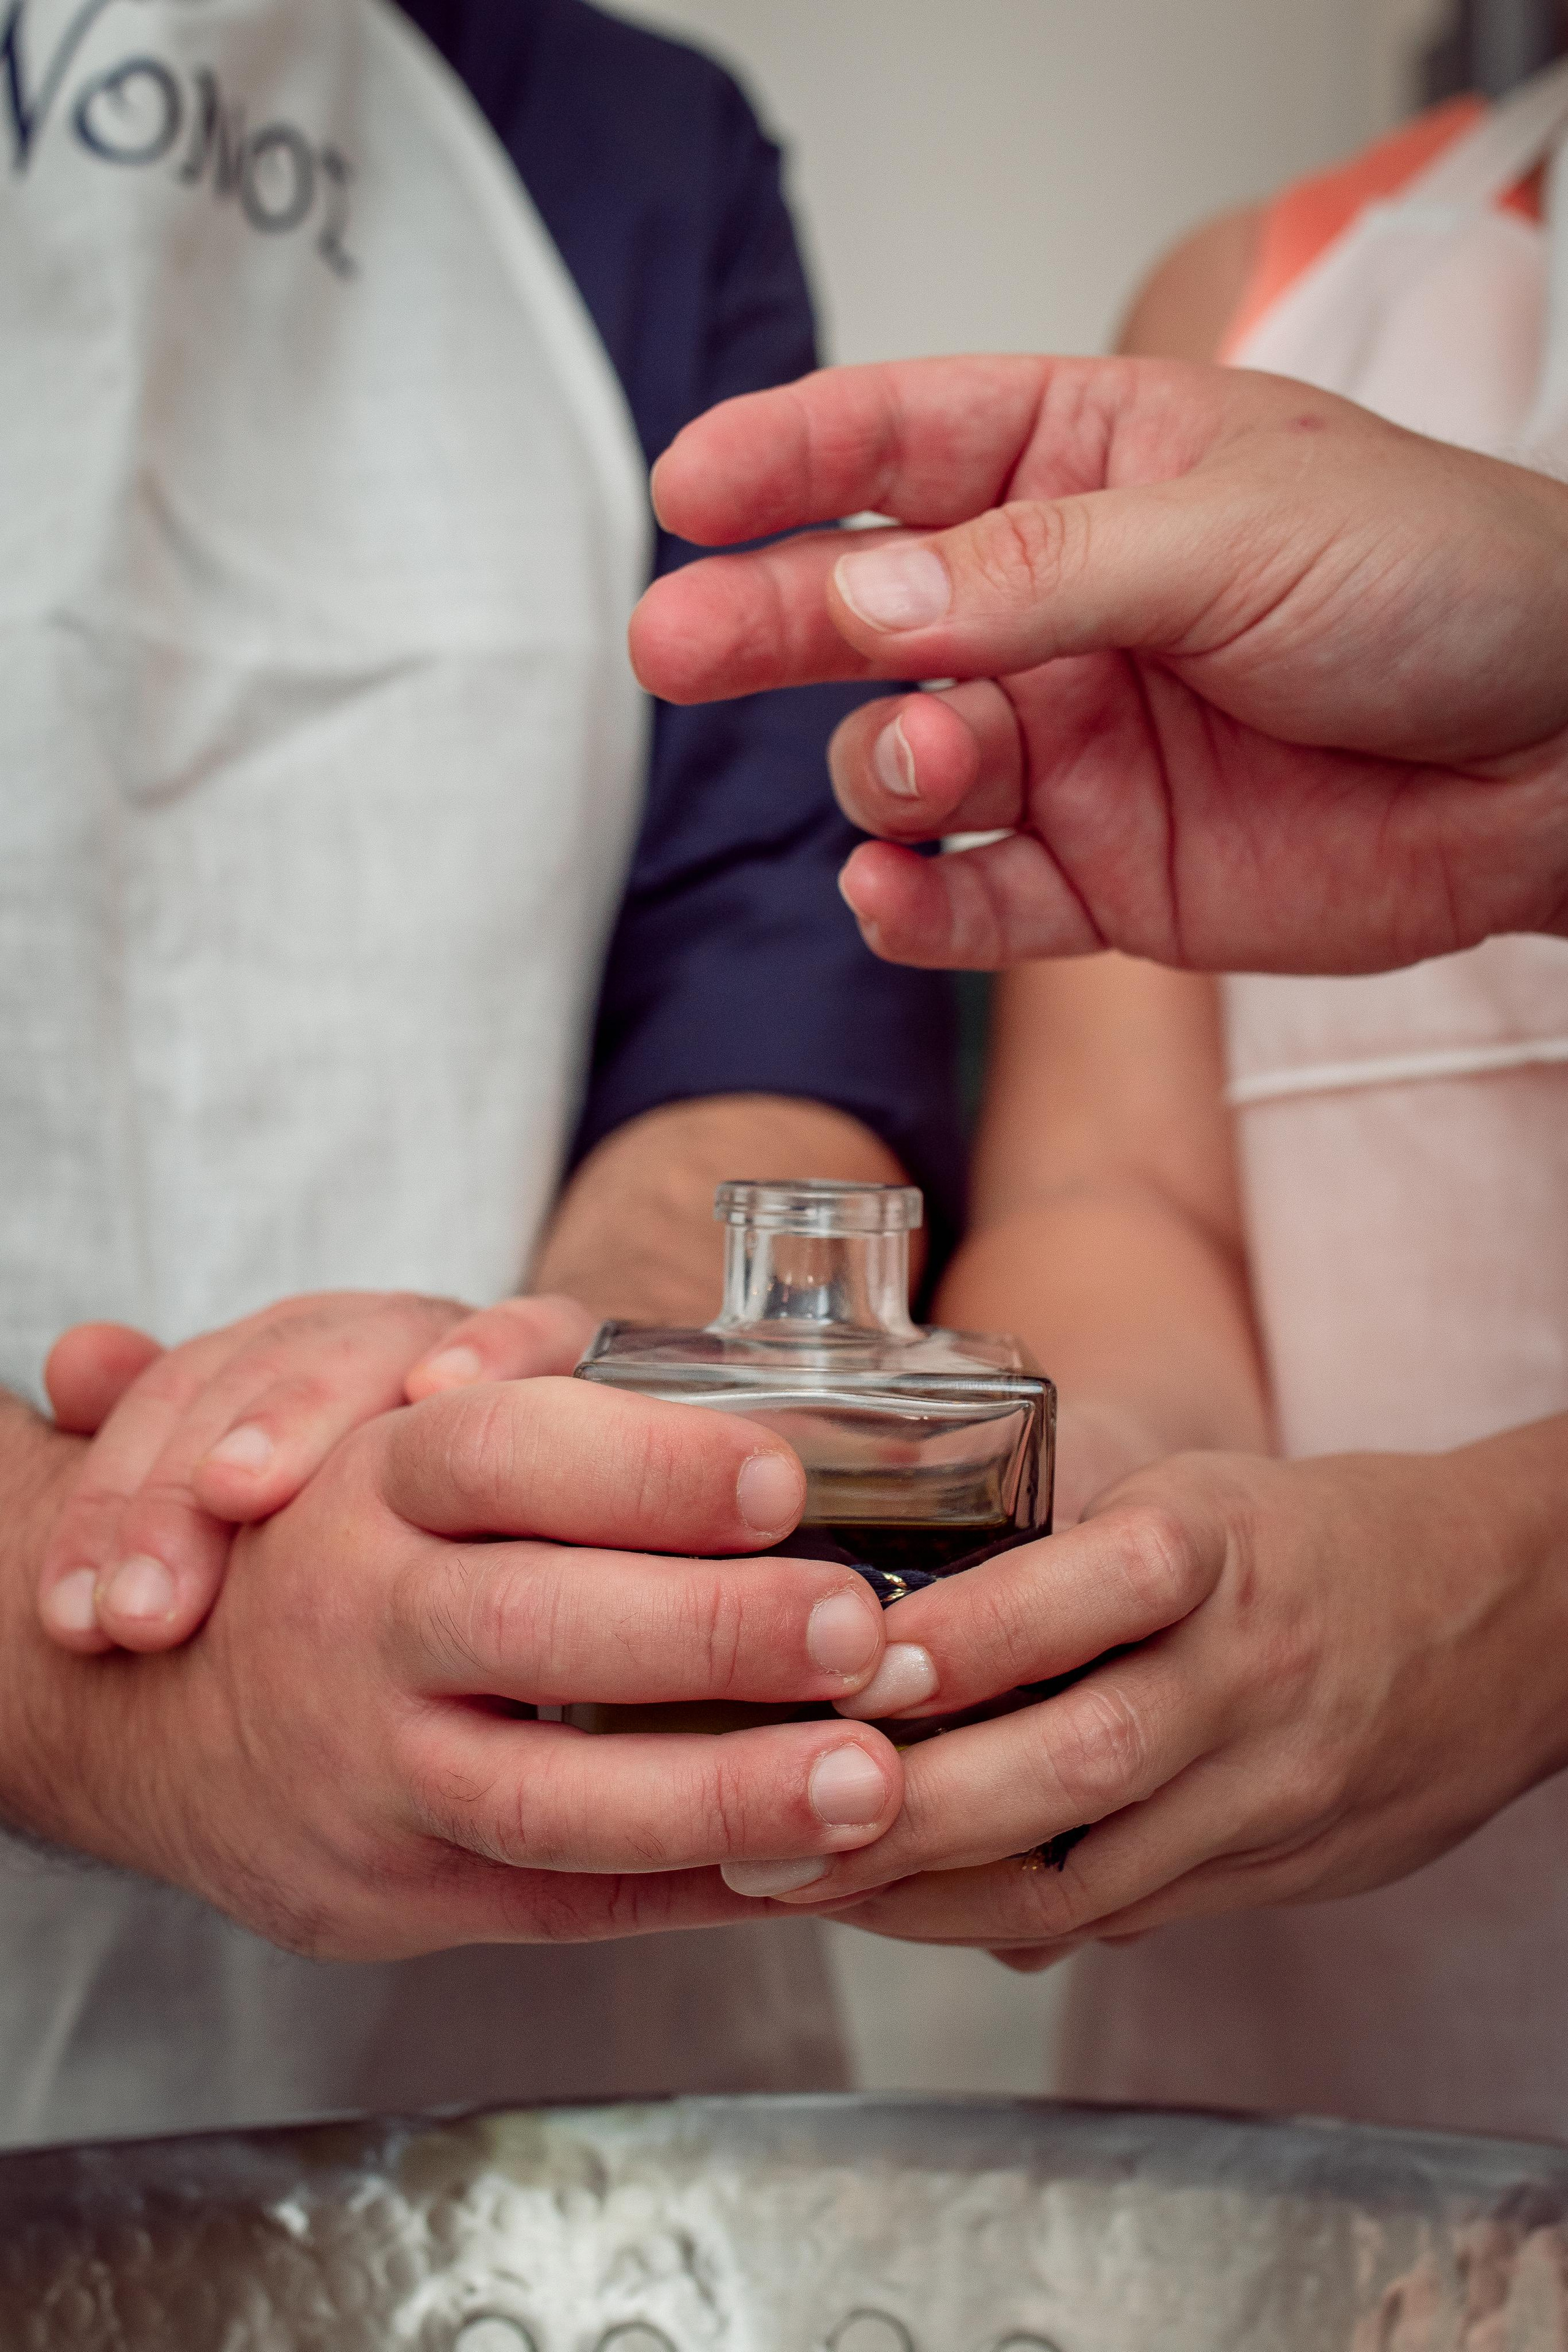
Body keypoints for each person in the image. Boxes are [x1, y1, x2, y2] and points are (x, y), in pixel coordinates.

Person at [0, 0, 960, 2148]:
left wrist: (546, 1387)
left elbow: (771, 987)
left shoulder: (642, 154)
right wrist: (74, 1606)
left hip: (539, 2064)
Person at [629, 71, 1568, 2138]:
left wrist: (1520, 1592)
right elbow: (1121, 1192)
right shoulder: (1273, 313)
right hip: (1318, 2045)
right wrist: (1105, 1531)